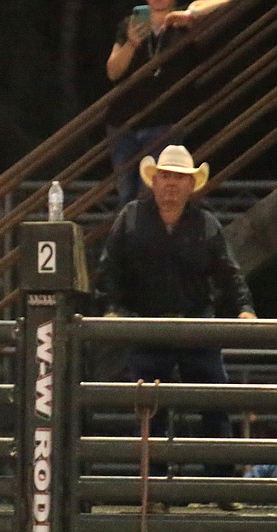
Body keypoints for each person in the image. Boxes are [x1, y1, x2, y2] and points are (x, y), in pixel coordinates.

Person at [95, 145, 255, 484]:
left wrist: (244, 309)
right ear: (154, 182)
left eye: (178, 177)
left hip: (196, 324)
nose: (171, 183)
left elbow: (229, 273)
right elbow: (110, 269)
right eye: (166, 176)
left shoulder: (205, 224)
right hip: (147, 324)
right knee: (148, 409)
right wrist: (112, 308)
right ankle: (151, 485)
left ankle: (222, 483)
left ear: (190, 185)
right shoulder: (132, 218)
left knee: (214, 401)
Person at [105, 0, 234, 207]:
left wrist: (192, 14)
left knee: (153, 195)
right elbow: (113, 72)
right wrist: (131, 43)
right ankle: (130, 229)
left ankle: (149, 228)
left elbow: (224, 3)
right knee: (126, 195)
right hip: (123, 122)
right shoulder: (132, 23)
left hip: (164, 122)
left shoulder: (185, 22)